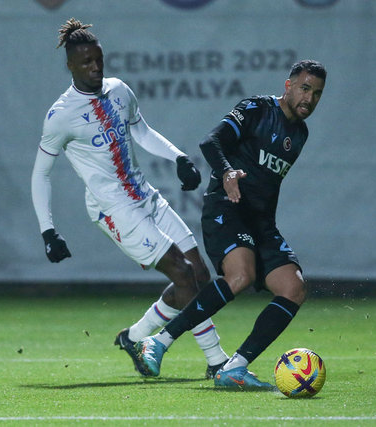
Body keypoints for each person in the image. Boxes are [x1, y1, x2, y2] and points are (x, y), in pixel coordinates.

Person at [31, 18, 228, 378]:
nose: (95, 67)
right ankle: (217, 361)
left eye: (99, 60)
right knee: (183, 274)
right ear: (70, 65)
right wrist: (48, 230)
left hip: (144, 194)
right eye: (86, 62)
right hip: (113, 208)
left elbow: (143, 131)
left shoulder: (119, 90)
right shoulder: (61, 116)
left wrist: (178, 157)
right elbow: (40, 174)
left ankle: (135, 337)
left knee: (199, 273)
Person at [135, 60, 327, 390]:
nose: (309, 99)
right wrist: (227, 172)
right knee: (240, 275)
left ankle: (234, 368)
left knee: (293, 288)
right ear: (288, 86)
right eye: (304, 88)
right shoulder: (257, 109)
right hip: (228, 207)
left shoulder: (300, 133)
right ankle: (158, 341)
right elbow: (211, 142)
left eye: (317, 93)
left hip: (261, 223)